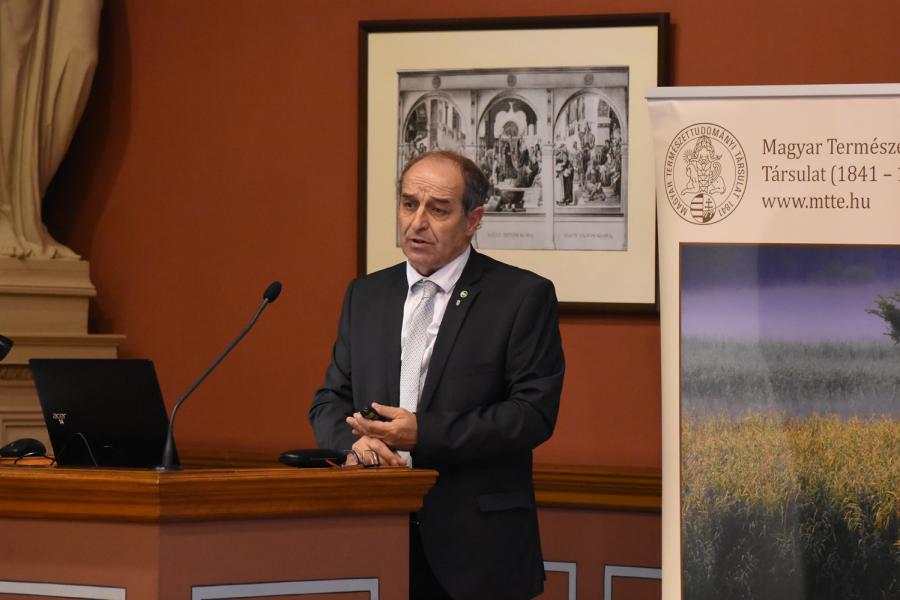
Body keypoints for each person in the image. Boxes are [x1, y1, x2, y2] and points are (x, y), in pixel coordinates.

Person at [309, 150, 564, 600]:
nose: (417, 222)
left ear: (473, 220)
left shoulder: (522, 297)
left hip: (478, 552)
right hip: (376, 538)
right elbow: (330, 400)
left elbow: (531, 414)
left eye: (438, 210)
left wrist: (423, 433)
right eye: (409, 204)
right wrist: (354, 445)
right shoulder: (366, 295)